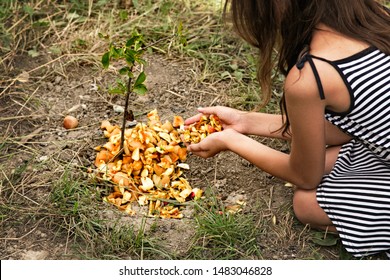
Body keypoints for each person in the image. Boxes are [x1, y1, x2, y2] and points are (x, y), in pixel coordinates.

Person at [184, 0, 390, 258]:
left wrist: (232, 141)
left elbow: (305, 176)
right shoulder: (374, 20)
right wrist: (245, 121)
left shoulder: (313, 75)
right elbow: (348, 128)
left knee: (306, 203)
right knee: (330, 161)